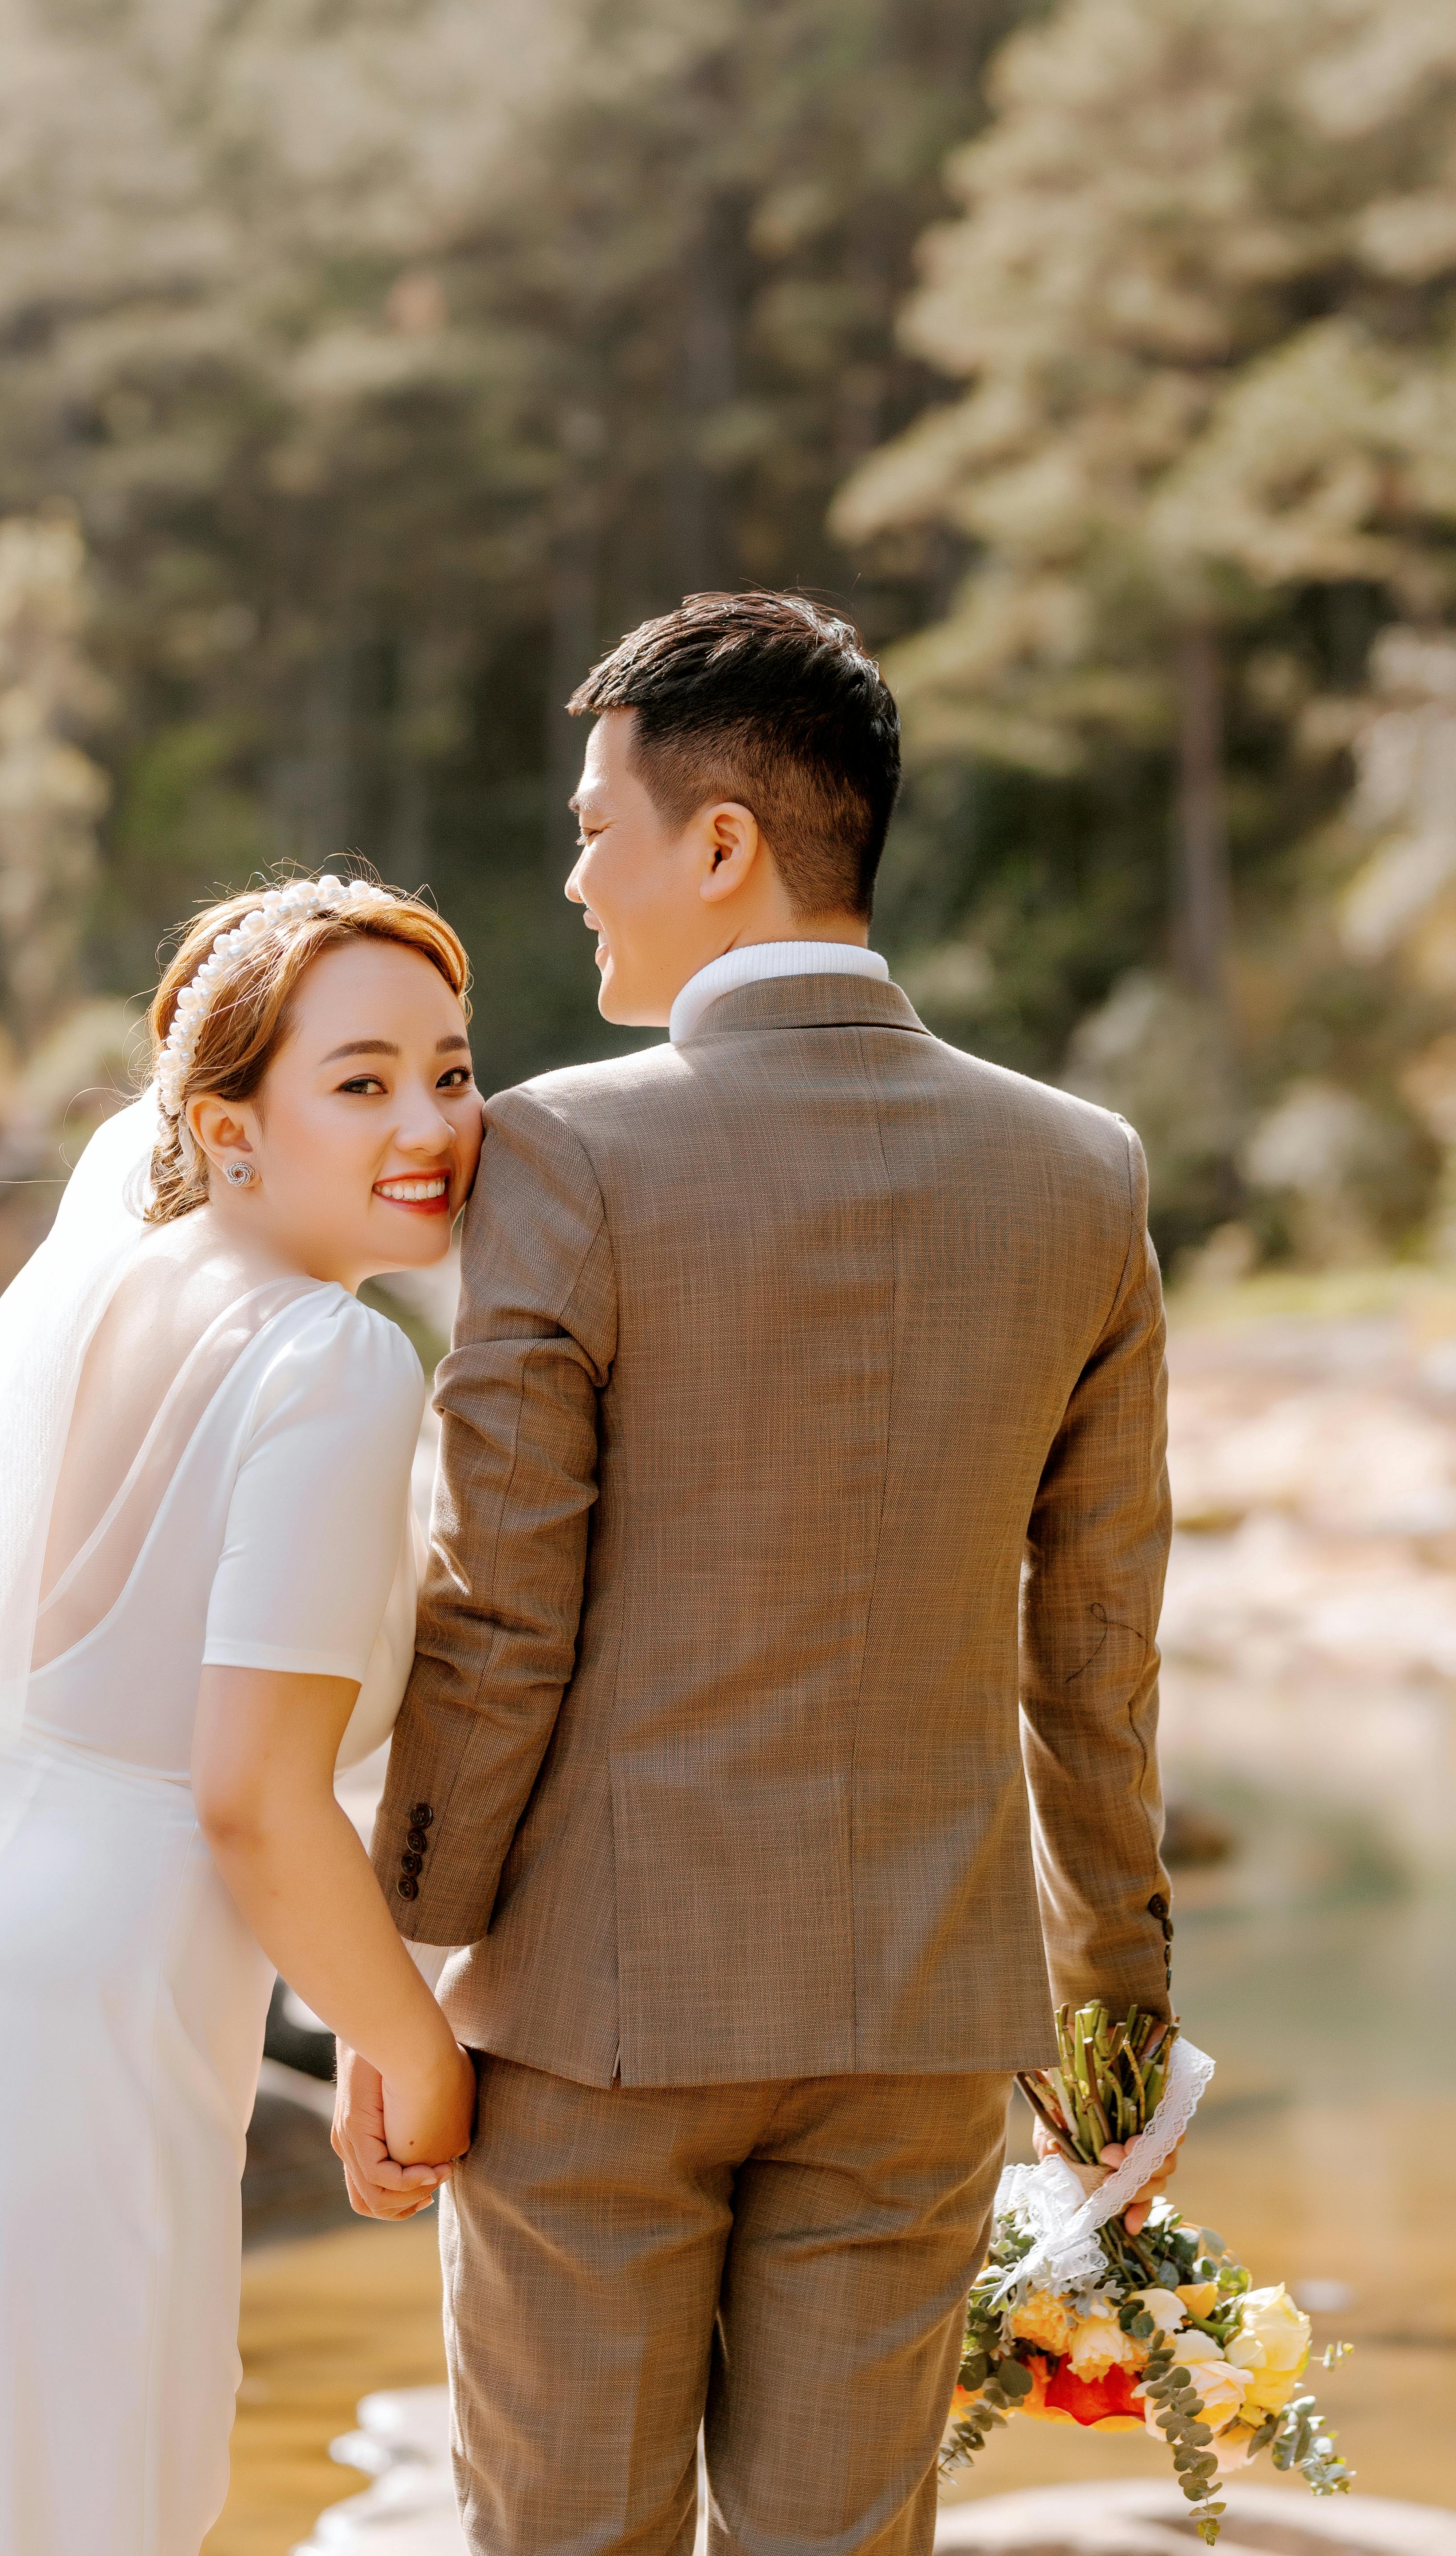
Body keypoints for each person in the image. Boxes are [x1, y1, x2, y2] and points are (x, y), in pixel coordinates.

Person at [332, 593, 1180, 2556]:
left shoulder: (563, 1156)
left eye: (593, 826)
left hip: (596, 2015)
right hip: (922, 2023)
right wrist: (1115, 2013)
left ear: (722, 847)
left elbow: (500, 1607)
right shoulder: (1083, 1171)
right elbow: (1100, 1643)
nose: (572, 875)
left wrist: (399, 1974)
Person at [0, 875, 479, 2556]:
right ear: (229, 1125)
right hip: (85, 1994)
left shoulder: (120, 1291)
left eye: (448, 1069)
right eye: (359, 1082)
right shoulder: (330, 1355)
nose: (431, 1121)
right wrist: (410, 2047)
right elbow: (254, 1798)